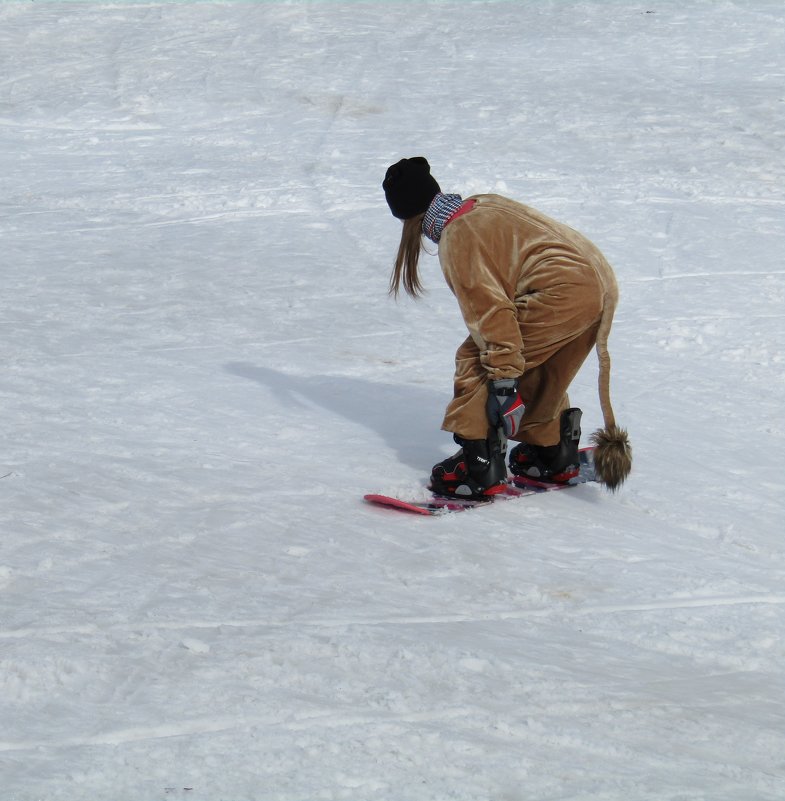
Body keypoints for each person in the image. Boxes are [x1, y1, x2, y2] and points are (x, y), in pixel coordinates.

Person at [382, 156, 631, 499]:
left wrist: (502, 379)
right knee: (546, 365)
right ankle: (551, 451)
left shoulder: (458, 236)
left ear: (409, 218)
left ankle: (479, 466)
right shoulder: (479, 205)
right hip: (596, 283)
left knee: (477, 359)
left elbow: (491, 315)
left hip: (564, 291)